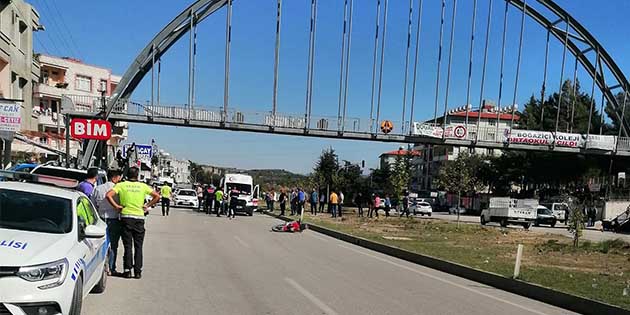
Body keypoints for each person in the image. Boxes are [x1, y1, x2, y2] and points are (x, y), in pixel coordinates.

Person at [106, 167, 160, 279]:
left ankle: (127, 270)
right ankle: (138, 271)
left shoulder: (121, 185)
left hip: (126, 217)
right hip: (139, 218)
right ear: (137, 175)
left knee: (128, 246)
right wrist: (147, 205)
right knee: (138, 246)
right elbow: (157, 196)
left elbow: (108, 195)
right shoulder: (143, 186)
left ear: (127, 174)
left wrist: (116, 206)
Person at [91, 170, 123, 275]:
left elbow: (93, 205)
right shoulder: (118, 189)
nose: (120, 179)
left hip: (100, 219)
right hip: (114, 219)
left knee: (99, 244)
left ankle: (99, 267)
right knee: (113, 245)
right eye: (119, 177)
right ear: (115, 177)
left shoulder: (98, 188)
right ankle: (111, 267)